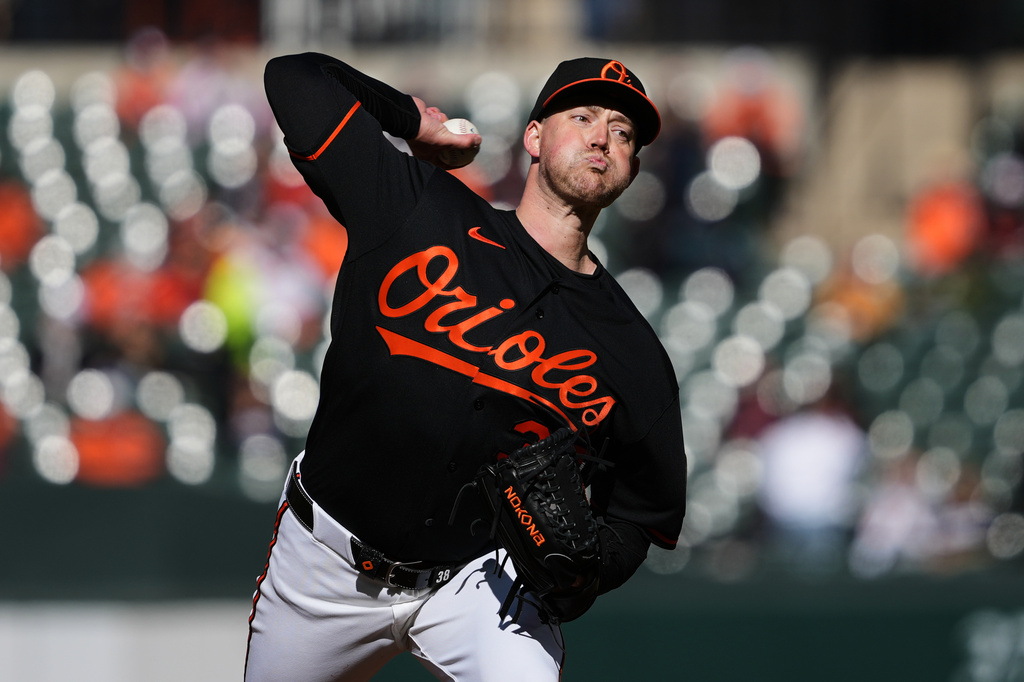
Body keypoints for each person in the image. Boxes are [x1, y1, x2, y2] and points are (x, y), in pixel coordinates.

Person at [245, 51, 687, 681]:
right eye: (584, 115)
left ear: (632, 167)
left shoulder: (632, 353)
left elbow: (645, 515)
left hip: (481, 583)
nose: (602, 136)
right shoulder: (418, 209)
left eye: (622, 133)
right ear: (534, 137)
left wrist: (587, 571)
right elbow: (294, 76)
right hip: (324, 563)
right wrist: (409, 121)